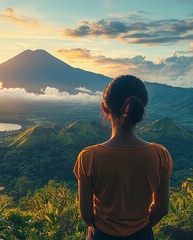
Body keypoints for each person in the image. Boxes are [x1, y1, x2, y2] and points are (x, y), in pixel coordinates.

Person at [73, 75, 173, 240]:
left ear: (104, 109)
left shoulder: (89, 157)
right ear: (141, 109)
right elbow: (162, 209)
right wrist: (141, 228)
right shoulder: (160, 155)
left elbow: (86, 214)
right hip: (142, 235)